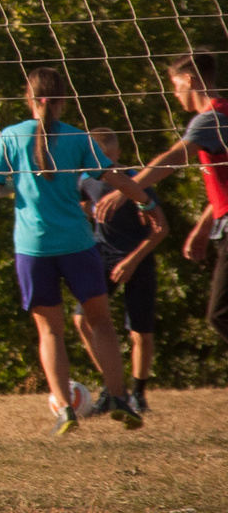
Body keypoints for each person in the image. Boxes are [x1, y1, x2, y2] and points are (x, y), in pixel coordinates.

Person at [0, 68, 147, 435]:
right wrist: (146, 202)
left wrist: (19, 189)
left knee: (50, 332)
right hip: (77, 243)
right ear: (63, 101)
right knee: (100, 322)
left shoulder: (10, 137)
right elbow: (113, 176)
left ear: (29, 98)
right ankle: (120, 399)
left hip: (33, 248)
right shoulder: (78, 139)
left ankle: (65, 410)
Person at [118, 51, 228, 352]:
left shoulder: (212, 119)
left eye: (175, 84)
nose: (174, 93)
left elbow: (172, 159)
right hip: (223, 223)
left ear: (190, 81)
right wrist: (205, 226)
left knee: (220, 315)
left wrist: (125, 187)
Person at [84, 127, 164, 418]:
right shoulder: (86, 181)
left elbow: (161, 228)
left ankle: (139, 395)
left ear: (117, 154)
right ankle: (112, 388)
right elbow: (83, 204)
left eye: (107, 156)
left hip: (137, 261)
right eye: (97, 156)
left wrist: (132, 261)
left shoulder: (134, 182)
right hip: (102, 260)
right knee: (82, 320)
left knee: (140, 333)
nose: (104, 163)